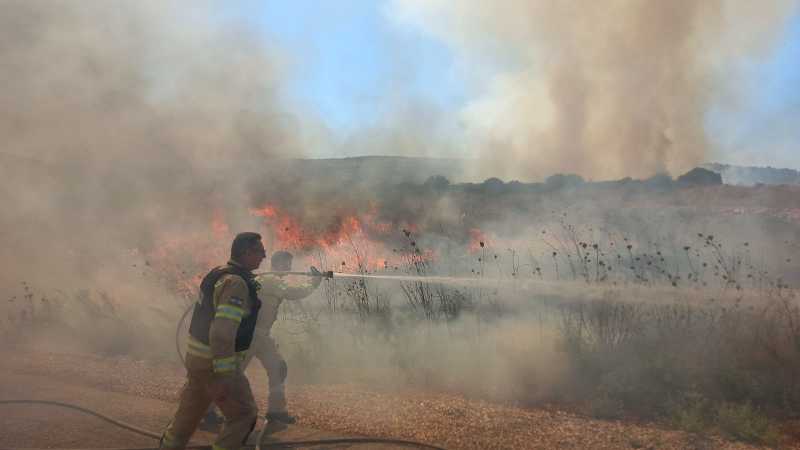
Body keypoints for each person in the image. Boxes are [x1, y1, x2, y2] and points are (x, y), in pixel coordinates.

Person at [160, 232, 266, 450]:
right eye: (259, 251)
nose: (264, 255)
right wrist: (226, 376)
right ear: (246, 252)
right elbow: (222, 333)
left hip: (197, 361)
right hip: (214, 365)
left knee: (187, 417)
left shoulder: (217, 274)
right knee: (244, 415)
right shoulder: (236, 283)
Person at [200, 250, 324, 429]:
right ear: (278, 264)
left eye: (289, 264)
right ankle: (206, 410)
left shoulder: (267, 280)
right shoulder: (271, 281)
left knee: (278, 367)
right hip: (250, 334)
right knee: (232, 374)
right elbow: (293, 292)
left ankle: (276, 411)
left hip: (262, 335)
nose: (289, 268)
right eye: (286, 264)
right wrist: (314, 283)